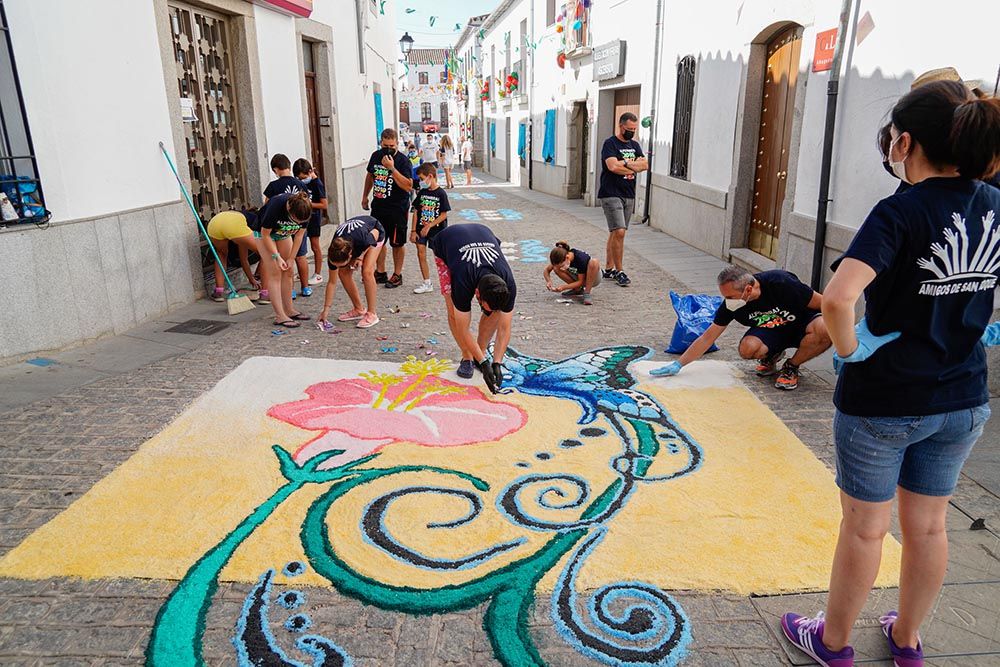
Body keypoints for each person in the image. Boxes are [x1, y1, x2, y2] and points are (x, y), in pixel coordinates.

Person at [780, 82, 1000, 667]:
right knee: (929, 528)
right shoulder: (995, 203)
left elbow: (838, 299)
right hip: (963, 396)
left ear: (905, 143)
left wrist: (851, 353)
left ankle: (833, 643)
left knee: (865, 530)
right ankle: (906, 639)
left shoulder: (900, 210)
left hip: (885, 402)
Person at [650, 266, 832, 390]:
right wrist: (679, 364)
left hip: (803, 323)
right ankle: (771, 356)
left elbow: (827, 304)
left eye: (730, 296)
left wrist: (843, 338)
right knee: (747, 348)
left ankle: (792, 366)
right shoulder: (731, 305)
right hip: (772, 330)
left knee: (825, 329)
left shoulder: (782, 283)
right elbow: (708, 337)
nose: (727, 301)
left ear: (748, 290)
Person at [428, 223, 515, 392]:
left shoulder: (508, 284)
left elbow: (504, 328)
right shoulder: (463, 280)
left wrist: (496, 363)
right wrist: (484, 363)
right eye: (486, 307)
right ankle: (467, 356)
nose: (487, 312)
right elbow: (463, 327)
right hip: (448, 243)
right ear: (477, 295)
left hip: (484, 233)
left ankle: (479, 352)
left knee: (496, 314)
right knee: (454, 310)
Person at [598, 112, 648, 287]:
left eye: (634, 129)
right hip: (610, 192)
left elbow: (645, 165)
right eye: (629, 129)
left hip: (628, 193)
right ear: (621, 126)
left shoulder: (635, 145)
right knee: (620, 231)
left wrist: (625, 164)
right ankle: (620, 271)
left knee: (615, 233)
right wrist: (632, 166)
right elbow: (612, 166)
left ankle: (609, 269)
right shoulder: (610, 144)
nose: (632, 132)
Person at [362, 128, 413, 289]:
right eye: (385, 145)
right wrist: (365, 196)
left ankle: (397, 274)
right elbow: (370, 176)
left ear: (397, 143)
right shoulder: (376, 156)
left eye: (391, 145)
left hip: (398, 208)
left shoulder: (403, 161)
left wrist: (392, 168)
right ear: (381, 143)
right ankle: (381, 272)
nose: (388, 148)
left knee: (397, 243)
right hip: (379, 205)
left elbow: (408, 186)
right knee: (378, 241)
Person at [255, 191, 314, 327]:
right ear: (289, 210)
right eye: (296, 220)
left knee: (288, 271)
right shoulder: (277, 204)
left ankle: (289, 309)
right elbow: (265, 234)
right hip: (264, 234)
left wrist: (291, 258)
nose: (299, 224)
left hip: (284, 234)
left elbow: (299, 236)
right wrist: (277, 257)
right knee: (275, 272)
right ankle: (280, 315)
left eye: (301, 222)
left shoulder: (305, 208)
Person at [318, 215, 386, 330]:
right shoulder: (334, 251)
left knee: (367, 272)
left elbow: (376, 233)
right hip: (354, 240)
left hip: (375, 232)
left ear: (350, 256)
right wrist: (326, 309)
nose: (339, 267)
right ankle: (359, 309)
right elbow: (332, 283)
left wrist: (360, 257)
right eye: (336, 265)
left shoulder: (363, 240)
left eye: (343, 264)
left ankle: (372, 313)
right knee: (343, 273)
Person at [410, 163, 450, 294]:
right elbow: (416, 211)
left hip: (437, 231)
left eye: (422, 178)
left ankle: (448, 281)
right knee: (421, 252)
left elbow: (444, 214)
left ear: (430, 176)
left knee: (440, 257)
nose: (420, 182)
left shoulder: (441, 193)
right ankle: (427, 282)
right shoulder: (422, 192)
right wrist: (413, 230)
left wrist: (430, 225)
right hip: (421, 230)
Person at [205, 211, 261, 301]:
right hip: (233, 226)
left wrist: (251, 279)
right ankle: (266, 292)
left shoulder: (240, 218)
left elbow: (244, 260)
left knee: (221, 255)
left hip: (214, 224)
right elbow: (244, 259)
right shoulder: (249, 226)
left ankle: (218, 292)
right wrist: (252, 279)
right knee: (265, 254)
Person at [293, 158, 328, 289]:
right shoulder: (299, 183)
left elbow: (324, 204)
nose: (301, 180)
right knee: (300, 248)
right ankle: (302, 273)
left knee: (315, 245)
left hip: (313, 217)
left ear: (310, 172)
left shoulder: (317, 183)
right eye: (298, 178)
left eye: (303, 177)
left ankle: (318, 274)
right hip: (302, 218)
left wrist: (307, 204)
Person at [544, 242, 601, 306]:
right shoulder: (560, 258)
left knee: (594, 262)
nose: (561, 268)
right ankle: (577, 290)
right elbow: (546, 270)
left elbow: (581, 282)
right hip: (578, 276)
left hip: (593, 278)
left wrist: (563, 287)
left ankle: (587, 293)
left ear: (567, 257)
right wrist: (549, 281)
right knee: (556, 268)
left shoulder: (580, 258)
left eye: (562, 265)